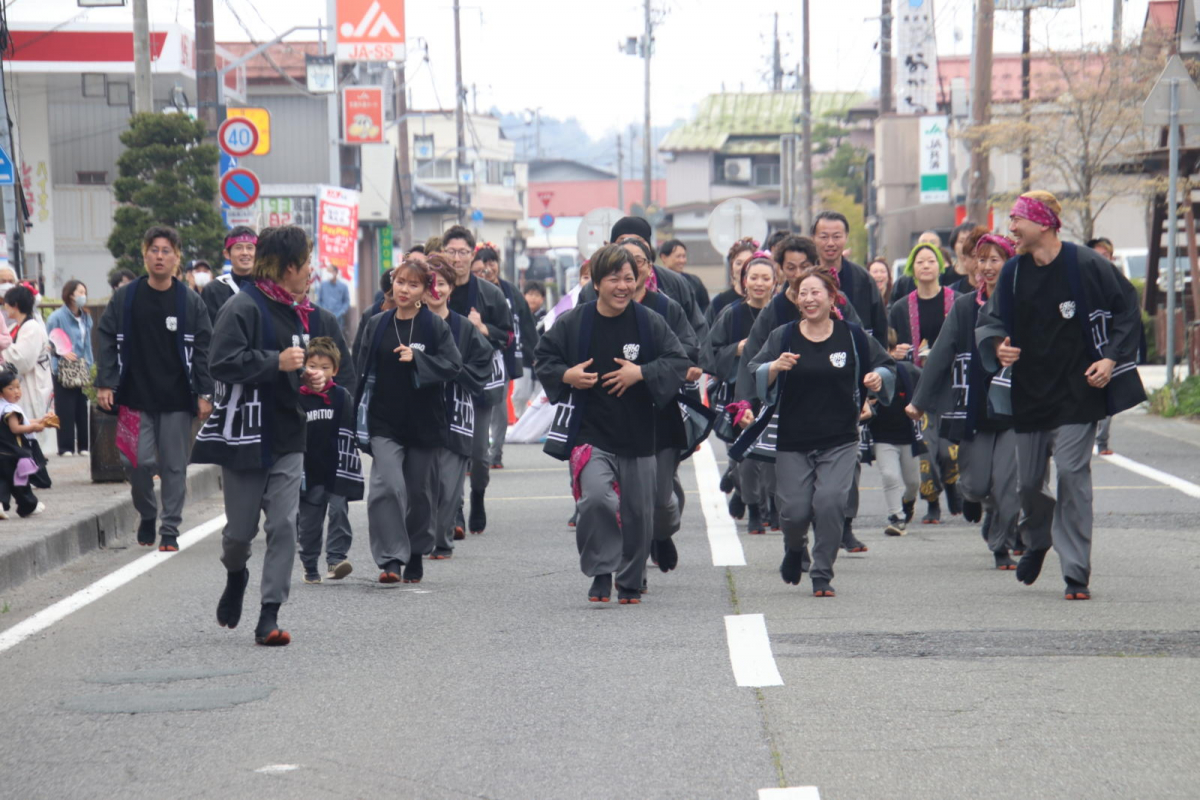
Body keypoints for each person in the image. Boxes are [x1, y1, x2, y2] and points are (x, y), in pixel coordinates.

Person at [976, 191, 1146, 600]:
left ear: (1044, 224)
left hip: (1078, 392)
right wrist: (999, 344)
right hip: (1029, 392)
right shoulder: (1014, 272)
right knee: (1028, 484)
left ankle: (1075, 572)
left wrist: (1109, 359)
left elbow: (1126, 308)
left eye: (1017, 219)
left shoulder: (1085, 263)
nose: (1011, 228)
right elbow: (991, 320)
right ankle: (1037, 539)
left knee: (1072, 474)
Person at [534, 244, 690, 604]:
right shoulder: (575, 321)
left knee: (638, 513)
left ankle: (631, 580)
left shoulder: (649, 321)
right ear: (596, 282)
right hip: (590, 434)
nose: (622, 286)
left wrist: (642, 373)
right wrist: (567, 375)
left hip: (639, 433)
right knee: (597, 501)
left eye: (629, 278)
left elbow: (677, 360)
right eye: (613, 279)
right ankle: (602, 571)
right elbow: (544, 357)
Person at [193, 225, 314, 646]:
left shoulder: (302, 311)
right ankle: (235, 574)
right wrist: (274, 362)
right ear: (288, 267)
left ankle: (269, 615)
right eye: (307, 263)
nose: (311, 271)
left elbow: (300, 364)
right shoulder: (242, 307)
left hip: (288, 434)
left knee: (283, 525)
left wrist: (311, 376)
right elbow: (221, 362)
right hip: (245, 436)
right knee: (239, 534)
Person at [740, 268, 895, 597]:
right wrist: (774, 368)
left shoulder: (852, 335)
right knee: (794, 511)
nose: (809, 299)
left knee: (829, 504)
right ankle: (795, 547)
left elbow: (885, 364)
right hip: (792, 440)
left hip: (840, 439)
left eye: (815, 292)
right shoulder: (783, 336)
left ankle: (822, 573)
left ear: (832, 297)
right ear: (795, 299)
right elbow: (754, 369)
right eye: (802, 293)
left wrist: (877, 379)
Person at [909, 231, 1022, 569]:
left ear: (1010, 263)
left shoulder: (1024, 302)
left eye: (995, 260)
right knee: (973, 485)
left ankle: (1001, 545)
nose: (986, 266)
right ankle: (986, 508)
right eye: (981, 259)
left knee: (1009, 485)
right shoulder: (963, 307)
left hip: (1017, 409)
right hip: (974, 408)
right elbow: (941, 354)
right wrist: (919, 401)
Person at [96, 226, 214, 551]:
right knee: (135, 461)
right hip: (134, 396)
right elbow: (106, 336)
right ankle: (148, 512)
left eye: (166, 251)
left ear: (177, 259)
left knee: (174, 465)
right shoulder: (126, 297)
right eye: (154, 250)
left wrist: (205, 393)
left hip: (177, 397)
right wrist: (106, 381)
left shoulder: (189, 301)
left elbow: (204, 348)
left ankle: (170, 529)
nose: (159, 256)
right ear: (145, 254)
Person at [353, 257, 462, 584]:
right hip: (384, 421)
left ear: (424, 291)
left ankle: (415, 551)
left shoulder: (434, 326)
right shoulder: (378, 323)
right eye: (400, 282)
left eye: (413, 285)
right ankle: (390, 560)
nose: (404, 289)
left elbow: (453, 365)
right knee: (387, 485)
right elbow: (360, 367)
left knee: (419, 493)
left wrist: (419, 359)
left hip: (424, 424)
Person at [441, 225, 512, 535]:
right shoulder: (435, 289)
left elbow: (509, 336)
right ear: (442, 253)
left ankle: (478, 496)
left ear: (473, 256)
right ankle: (454, 510)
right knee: (451, 450)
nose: (457, 258)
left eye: (463, 252)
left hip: (478, 383)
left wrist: (484, 329)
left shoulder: (490, 293)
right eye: (451, 251)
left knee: (479, 454)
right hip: (442, 383)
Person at [424, 255, 493, 560]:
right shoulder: (406, 323)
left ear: (451, 288)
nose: (435, 290)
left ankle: (443, 538)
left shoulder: (464, 328)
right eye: (429, 284)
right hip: (417, 415)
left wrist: (455, 371)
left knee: (449, 485)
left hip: (455, 414)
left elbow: (483, 363)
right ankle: (422, 536)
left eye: (441, 283)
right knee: (421, 484)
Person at [704, 252, 778, 533]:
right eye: (754, 277)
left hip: (773, 391)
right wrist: (735, 350)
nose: (759, 283)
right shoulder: (731, 313)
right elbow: (708, 352)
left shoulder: (781, 312)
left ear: (775, 282)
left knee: (773, 454)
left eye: (766, 278)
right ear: (744, 281)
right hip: (739, 393)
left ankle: (772, 505)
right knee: (746, 454)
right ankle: (754, 508)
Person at [889, 242, 962, 523]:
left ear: (940, 266)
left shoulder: (957, 301)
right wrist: (901, 352)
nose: (926, 266)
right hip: (918, 385)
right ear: (912, 269)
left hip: (952, 383)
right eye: (920, 262)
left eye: (931, 260)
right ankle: (932, 501)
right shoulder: (899, 308)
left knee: (948, 447)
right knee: (925, 450)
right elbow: (891, 345)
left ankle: (953, 485)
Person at [296, 336, 364, 584]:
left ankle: (336, 559)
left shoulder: (341, 396)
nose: (319, 372)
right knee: (309, 523)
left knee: (338, 512)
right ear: (304, 369)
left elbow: (349, 431)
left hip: (336, 468)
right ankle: (310, 565)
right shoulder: (297, 397)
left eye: (325, 368)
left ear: (335, 370)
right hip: (308, 470)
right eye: (312, 366)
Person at [472, 245, 538, 470]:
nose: (488, 269)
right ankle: (476, 452)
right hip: (473, 357)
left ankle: (495, 453)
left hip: (502, 355)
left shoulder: (510, 292)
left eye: (492, 263)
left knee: (499, 406)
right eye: (483, 265)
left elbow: (526, 324)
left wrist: (536, 353)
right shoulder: (471, 291)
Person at [609, 216, 708, 344]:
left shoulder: (675, 284)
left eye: (638, 241)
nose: (631, 247)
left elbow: (698, 334)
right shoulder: (594, 288)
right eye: (622, 241)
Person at [867, 330, 921, 537]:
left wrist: (920, 405)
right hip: (883, 436)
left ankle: (908, 502)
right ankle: (896, 518)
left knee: (913, 482)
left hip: (908, 435)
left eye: (887, 351)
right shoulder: (868, 375)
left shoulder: (907, 371)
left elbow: (925, 387)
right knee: (889, 475)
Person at [812, 211, 888, 347]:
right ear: (814, 238)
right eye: (824, 237)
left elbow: (880, 327)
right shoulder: (803, 279)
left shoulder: (864, 279)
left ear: (846, 238)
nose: (830, 243)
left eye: (836, 237)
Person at [45, 280, 93, 457]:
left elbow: (88, 345)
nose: (83, 295)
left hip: (81, 366)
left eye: (84, 292)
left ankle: (83, 446)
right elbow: (49, 342)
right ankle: (65, 447)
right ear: (70, 294)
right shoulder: (57, 317)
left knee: (82, 407)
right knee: (65, 408)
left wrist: (90, 366)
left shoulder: (86, 317)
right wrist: (61, 353)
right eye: (80, 292)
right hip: (63, 368)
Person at [4, 287, 52, 454]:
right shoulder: (18, 327)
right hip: (24, 384)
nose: (5, 308)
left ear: (15, 305)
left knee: (30, 432)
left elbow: (23, 360)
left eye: (6, 304)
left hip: (32, 384)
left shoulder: (32, 327)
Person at [0, 370, 50, 517]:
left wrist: (41, 420)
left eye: (18, 387)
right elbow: (16, 428)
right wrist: (34, 427)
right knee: (20, 481)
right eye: (11, 388)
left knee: (2, 481)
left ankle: (1, 505)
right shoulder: (11, 409)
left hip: (2, 453)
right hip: (12, 454)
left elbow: (23, 421)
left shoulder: (3, 407)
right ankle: (28, 505)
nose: (16, 392)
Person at [1087, 237, 1117, 454]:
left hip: (1108, 348)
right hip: (1085, 347)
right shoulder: (1080, 280)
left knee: (1107, 390)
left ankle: (1102, 442)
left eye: (1105, 256)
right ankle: (1086, 439)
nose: (1101, 260)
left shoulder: (1116, 282)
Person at [203, 227, 257, 322]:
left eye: (250, 247)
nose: (245, 253)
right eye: (238, 247)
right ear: (227, 254)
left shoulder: (266, 288)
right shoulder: (213, 290)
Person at [707, 237, 758, 326]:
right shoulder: (719, 302)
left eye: (748, 262)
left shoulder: (766, 302)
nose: (743, 267)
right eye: (739, 263)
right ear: (731, 267)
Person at [660, 239, 710, 315]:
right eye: (678, 256)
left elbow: (705, 307)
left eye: (684, 256)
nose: (682, 260)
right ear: (664, 257)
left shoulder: (694, 281)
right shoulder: (656, 281)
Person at [315, 263, 350, 331]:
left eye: (330, 271)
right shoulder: (323, 285)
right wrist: (322, 312)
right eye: (327, 272)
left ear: (336, 272)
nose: (328, 273)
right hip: (324, 318)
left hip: (338, 319)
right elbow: (319, 300)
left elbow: (346, 302)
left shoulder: (343, 286)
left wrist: (341, 312)